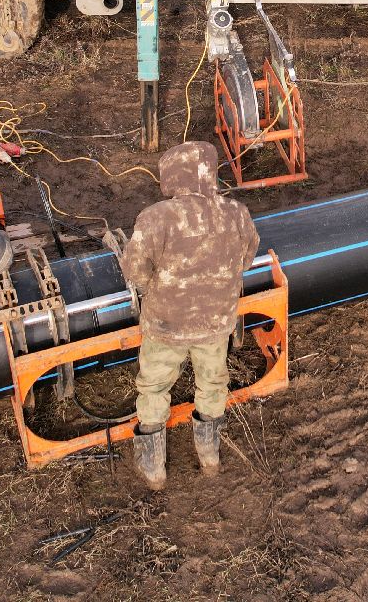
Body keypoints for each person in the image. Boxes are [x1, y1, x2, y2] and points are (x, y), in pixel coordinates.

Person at [118, 141, 260, 489]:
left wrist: (160, 286)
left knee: (154, 384)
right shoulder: (237, 213)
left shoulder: (156, 217)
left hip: (166, 324)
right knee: (213, 381)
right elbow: (246, 258)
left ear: (171, 176)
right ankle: (209, 455)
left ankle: (153, 466)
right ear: (210, 172)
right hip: (216, 322)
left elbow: (135, 272)